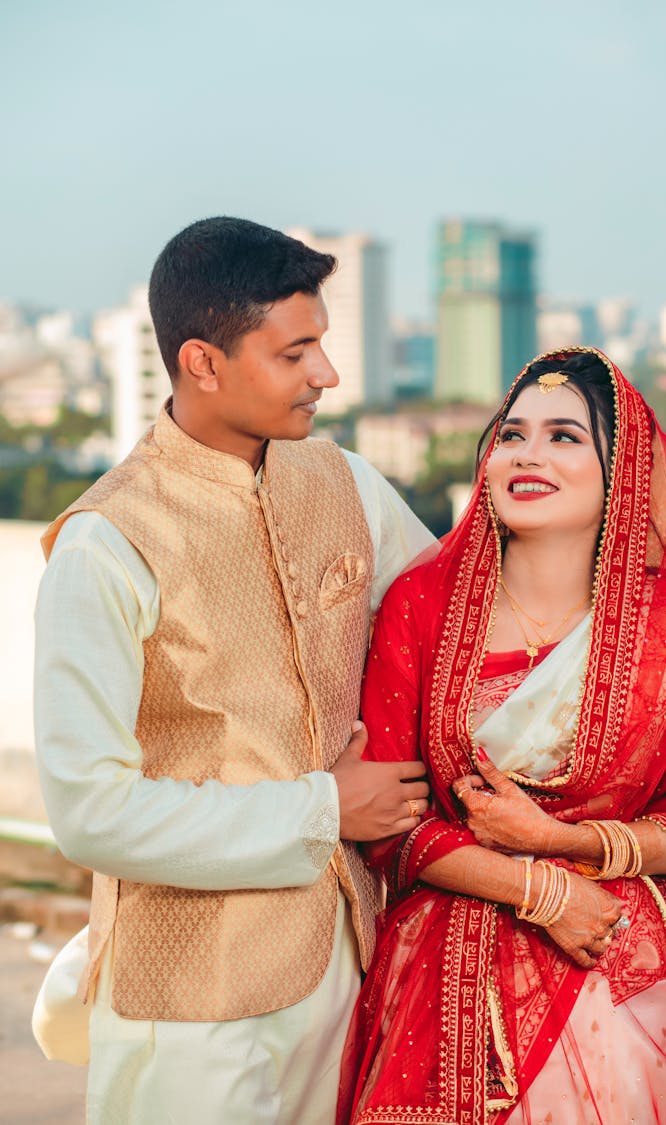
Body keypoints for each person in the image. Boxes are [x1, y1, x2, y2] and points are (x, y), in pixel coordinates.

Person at [32, 217, 435, 1125]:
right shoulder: (106, 544)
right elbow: (90, 811)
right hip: (189, 1006)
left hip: (350, 963)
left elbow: (463, 633)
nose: (326, 374)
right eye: (296, 353)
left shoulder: (348, 483)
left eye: (323, 344)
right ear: (202, 362)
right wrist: (326, 808)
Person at [338, 348, 666, 1124]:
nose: (527, 454)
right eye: (512, 433)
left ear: (620, 471)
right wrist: (539, 888)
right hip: (446, 985)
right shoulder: (421, 603)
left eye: (564, 436)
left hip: (618, 977)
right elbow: (391, 823)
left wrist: (563, 839)